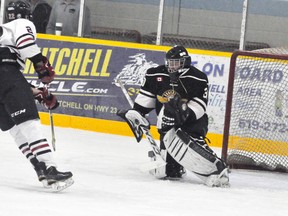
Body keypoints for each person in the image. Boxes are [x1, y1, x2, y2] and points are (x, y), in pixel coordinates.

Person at [118, 45, 229, 187]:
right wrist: (137, 115)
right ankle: (174, 164)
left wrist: (183, 114)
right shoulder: (155, 74)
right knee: (171, 172)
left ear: (185, 62)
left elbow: (199, 107)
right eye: (170, 62)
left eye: (176, 63)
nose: (172, 66)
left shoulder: (197, 78)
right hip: (166, 126)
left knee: (192, 150)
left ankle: (214, 167)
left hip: (191, 125)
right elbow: (143, 104)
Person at [0, 0, 73, 191]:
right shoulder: (22, 24)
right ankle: (49, 167)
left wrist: (36, 91)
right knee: (29, 125)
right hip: (7, 74)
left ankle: (39, 168)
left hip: (6, 77)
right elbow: (25, 44)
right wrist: (41, 67)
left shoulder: (3, 31)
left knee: (16, 129)